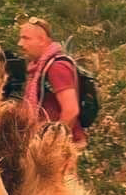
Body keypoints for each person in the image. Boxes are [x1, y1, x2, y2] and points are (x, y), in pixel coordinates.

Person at [17, 17, 87, 150]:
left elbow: (71, 110)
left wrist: (52, 144)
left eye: (26, 38)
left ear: (42, 40)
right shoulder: (37, 68)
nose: (20, 43)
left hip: (60, 148)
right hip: (43, 143)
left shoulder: (57, 67)